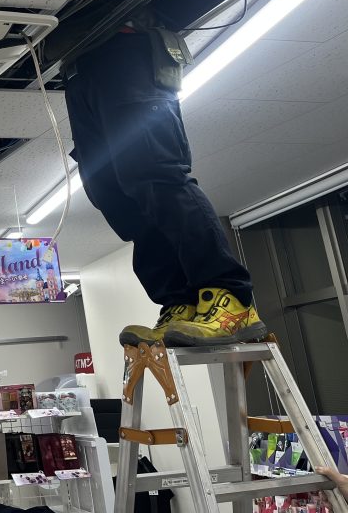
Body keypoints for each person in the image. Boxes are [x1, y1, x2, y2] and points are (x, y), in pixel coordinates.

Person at [63, 23, 267, 346]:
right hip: (79, 69)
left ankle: (228, 296)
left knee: (157, 177)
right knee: (114, 195)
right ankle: (180, 302)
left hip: (124, 49)